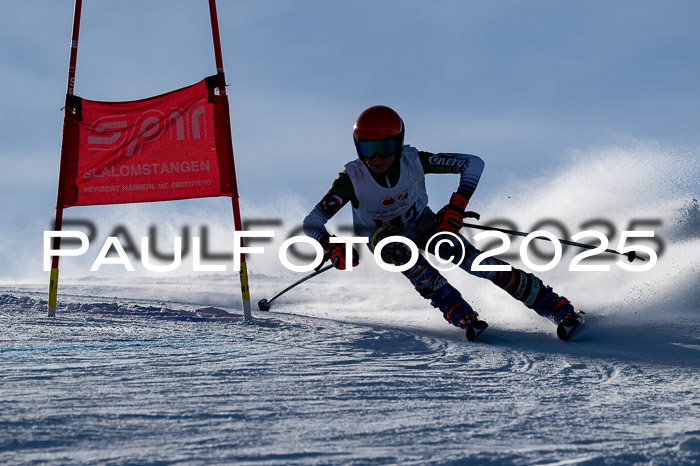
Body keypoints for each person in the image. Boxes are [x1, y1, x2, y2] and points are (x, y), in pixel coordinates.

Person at [303, 105, 583, 341]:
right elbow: (312, 221)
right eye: (368, 148)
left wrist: (457, 206)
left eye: (384, 147)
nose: (377, 158)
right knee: (398, 249)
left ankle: (554, 306)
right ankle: (460, 314)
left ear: (398, 143)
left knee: (473, 261)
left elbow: (474, 163)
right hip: (384, 237)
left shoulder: (415, 161)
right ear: (357, 147)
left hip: (422, 222)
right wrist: (328, 244)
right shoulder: (352, 179)